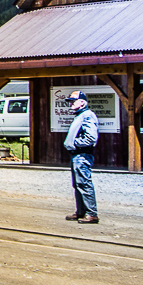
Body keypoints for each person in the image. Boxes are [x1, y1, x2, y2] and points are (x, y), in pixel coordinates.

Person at [63, 90, 99, 224]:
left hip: (82, 154)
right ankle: (81, 211)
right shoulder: (80, 115)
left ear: (82, 102)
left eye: (73, 101)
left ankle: (91, 214)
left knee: (84, 183)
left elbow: (90, 137)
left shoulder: (88, 115)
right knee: (77, 184)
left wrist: (75, 144)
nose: (71, 104)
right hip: (77, 154)